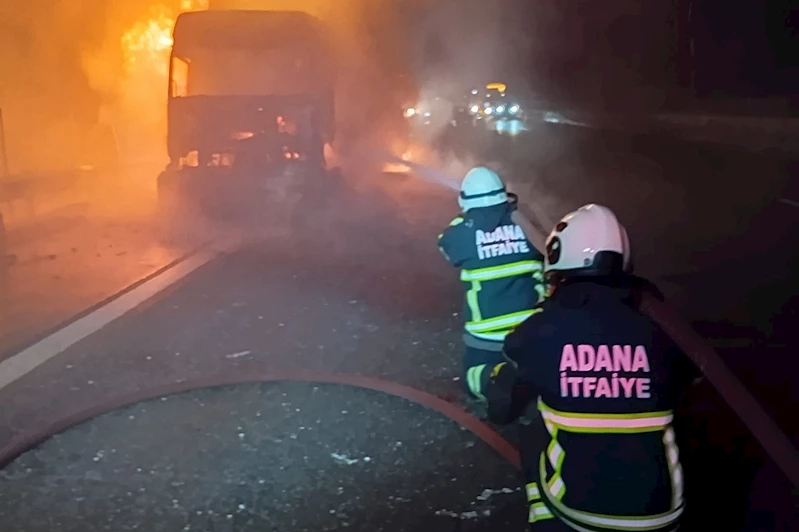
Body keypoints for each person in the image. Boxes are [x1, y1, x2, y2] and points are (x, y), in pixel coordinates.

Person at [485, 204, 699, 531]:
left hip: (580, 513)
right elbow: (687, 380)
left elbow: (501, 408)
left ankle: (545, 521)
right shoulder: (662, 327)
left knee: (529, 426)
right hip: (662, 515)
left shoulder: (539, 331)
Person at [437, 166, 546, 403]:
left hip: (486, 334)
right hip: (532, 328)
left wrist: (465, 221)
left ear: (464, 201)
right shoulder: (525, 224)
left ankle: (491, 380)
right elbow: (547, 247)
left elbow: (445, 245)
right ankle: (534, 383)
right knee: (538, 364)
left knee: (472, 378)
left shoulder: (462, 232)